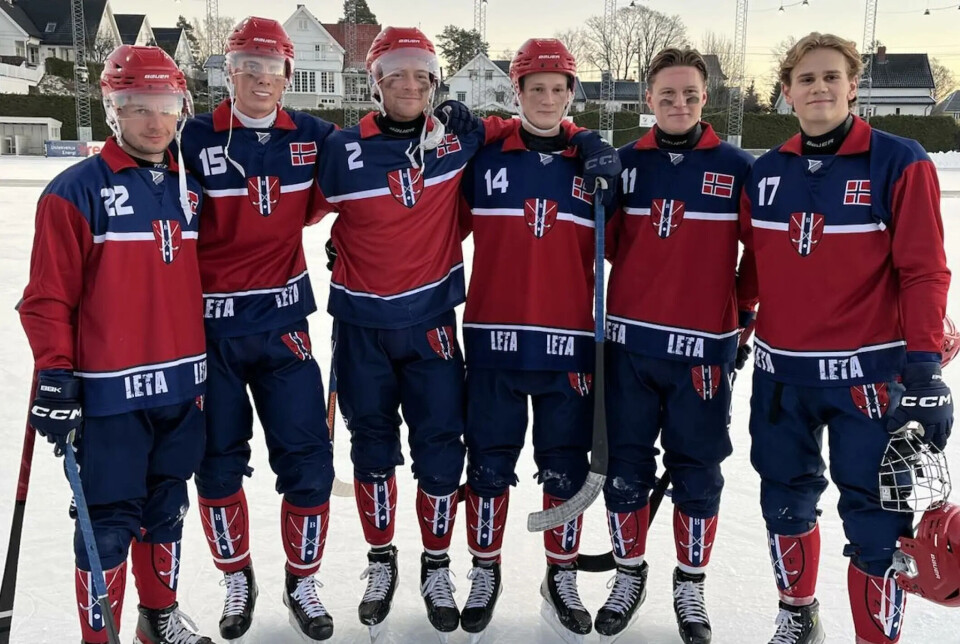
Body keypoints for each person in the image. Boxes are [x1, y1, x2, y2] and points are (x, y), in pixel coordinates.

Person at [740, 32, 951, 644]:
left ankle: (874, 639)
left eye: (832, 77)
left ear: (854, 86)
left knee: (879, 520)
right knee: (784, 503)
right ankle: (797, 615)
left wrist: (925, 369)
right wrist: (734, 322)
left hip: (868, 380)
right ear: (786, 92)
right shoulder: (768, 170)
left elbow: (924, 270)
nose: (819, 88)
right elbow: (755, 268)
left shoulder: (899, 159)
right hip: (782, 378)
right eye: (806, 79)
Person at [19, 45, 212, 644]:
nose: (154, 121)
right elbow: (47, 299)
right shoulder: (74, 191)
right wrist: (56, 372)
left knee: (165, 511)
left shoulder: (192, 189)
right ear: (112, 109)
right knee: (107, 525)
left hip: (182, 385)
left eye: (165, 105)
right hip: (111, 395)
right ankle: (98, 638)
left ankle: (158, 620)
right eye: (137, 106)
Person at [452, 38, 620, 642]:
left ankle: (561, 574)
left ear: (573, 94)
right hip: (495, 339)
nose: (548, 99)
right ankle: (485, 569)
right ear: (517, 92)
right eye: (536, 88)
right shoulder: (488, 154)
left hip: (569, 344)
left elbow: (635, 251)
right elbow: (432, 220)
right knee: (490, 466)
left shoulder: (594, 166)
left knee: (564, 471)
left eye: (559, 88)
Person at [179, 16, 337, 643]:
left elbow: (377, 159)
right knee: (216, 465)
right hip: (211, 331)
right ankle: (235, 576)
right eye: (248, 67)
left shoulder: (315, 136)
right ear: (229, 72)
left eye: (272, 70)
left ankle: (302, 581)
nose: (261, 80)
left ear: (288, 77)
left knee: (309, 460)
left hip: (283, 327)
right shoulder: (191, 137)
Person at [597, 47, 755, 643]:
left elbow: (759, 254)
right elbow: (605, 243)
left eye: (690, 94)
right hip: (630, 347)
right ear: (648, 100)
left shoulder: (737, 167)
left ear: (705, 97)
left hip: (703, 353)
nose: (679, 104)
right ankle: (628, 574)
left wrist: (741, 314)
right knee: (627, 470)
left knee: (698, 473)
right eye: (667, 95)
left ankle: (690, 584)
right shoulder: (621, 164)